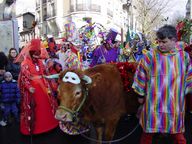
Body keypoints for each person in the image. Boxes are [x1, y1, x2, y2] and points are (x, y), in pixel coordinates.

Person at [132, 25, 192, 144]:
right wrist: (140, 95)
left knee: (179, 136)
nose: (160, 45)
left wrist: (183, 91)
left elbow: (189, 77)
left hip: (174, 105)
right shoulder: (150, 56)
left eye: (164, 42)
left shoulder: (183, 57)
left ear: (174, 40)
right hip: (153, 104)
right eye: (158, 41)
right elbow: (141, 75)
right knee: (147, 135)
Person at [18, 39, 58, 135]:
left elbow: (44, 72)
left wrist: (49, 68)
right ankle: (35, 128)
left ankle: (49, 124)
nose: (37, 56)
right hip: (33, 89)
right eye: (35, 54)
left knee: (46, 106)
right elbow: (24, 77)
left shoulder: (40, 62)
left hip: (43, 87)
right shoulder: (25, 63)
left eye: (38, 54)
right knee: (34, 107)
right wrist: (28, 87)